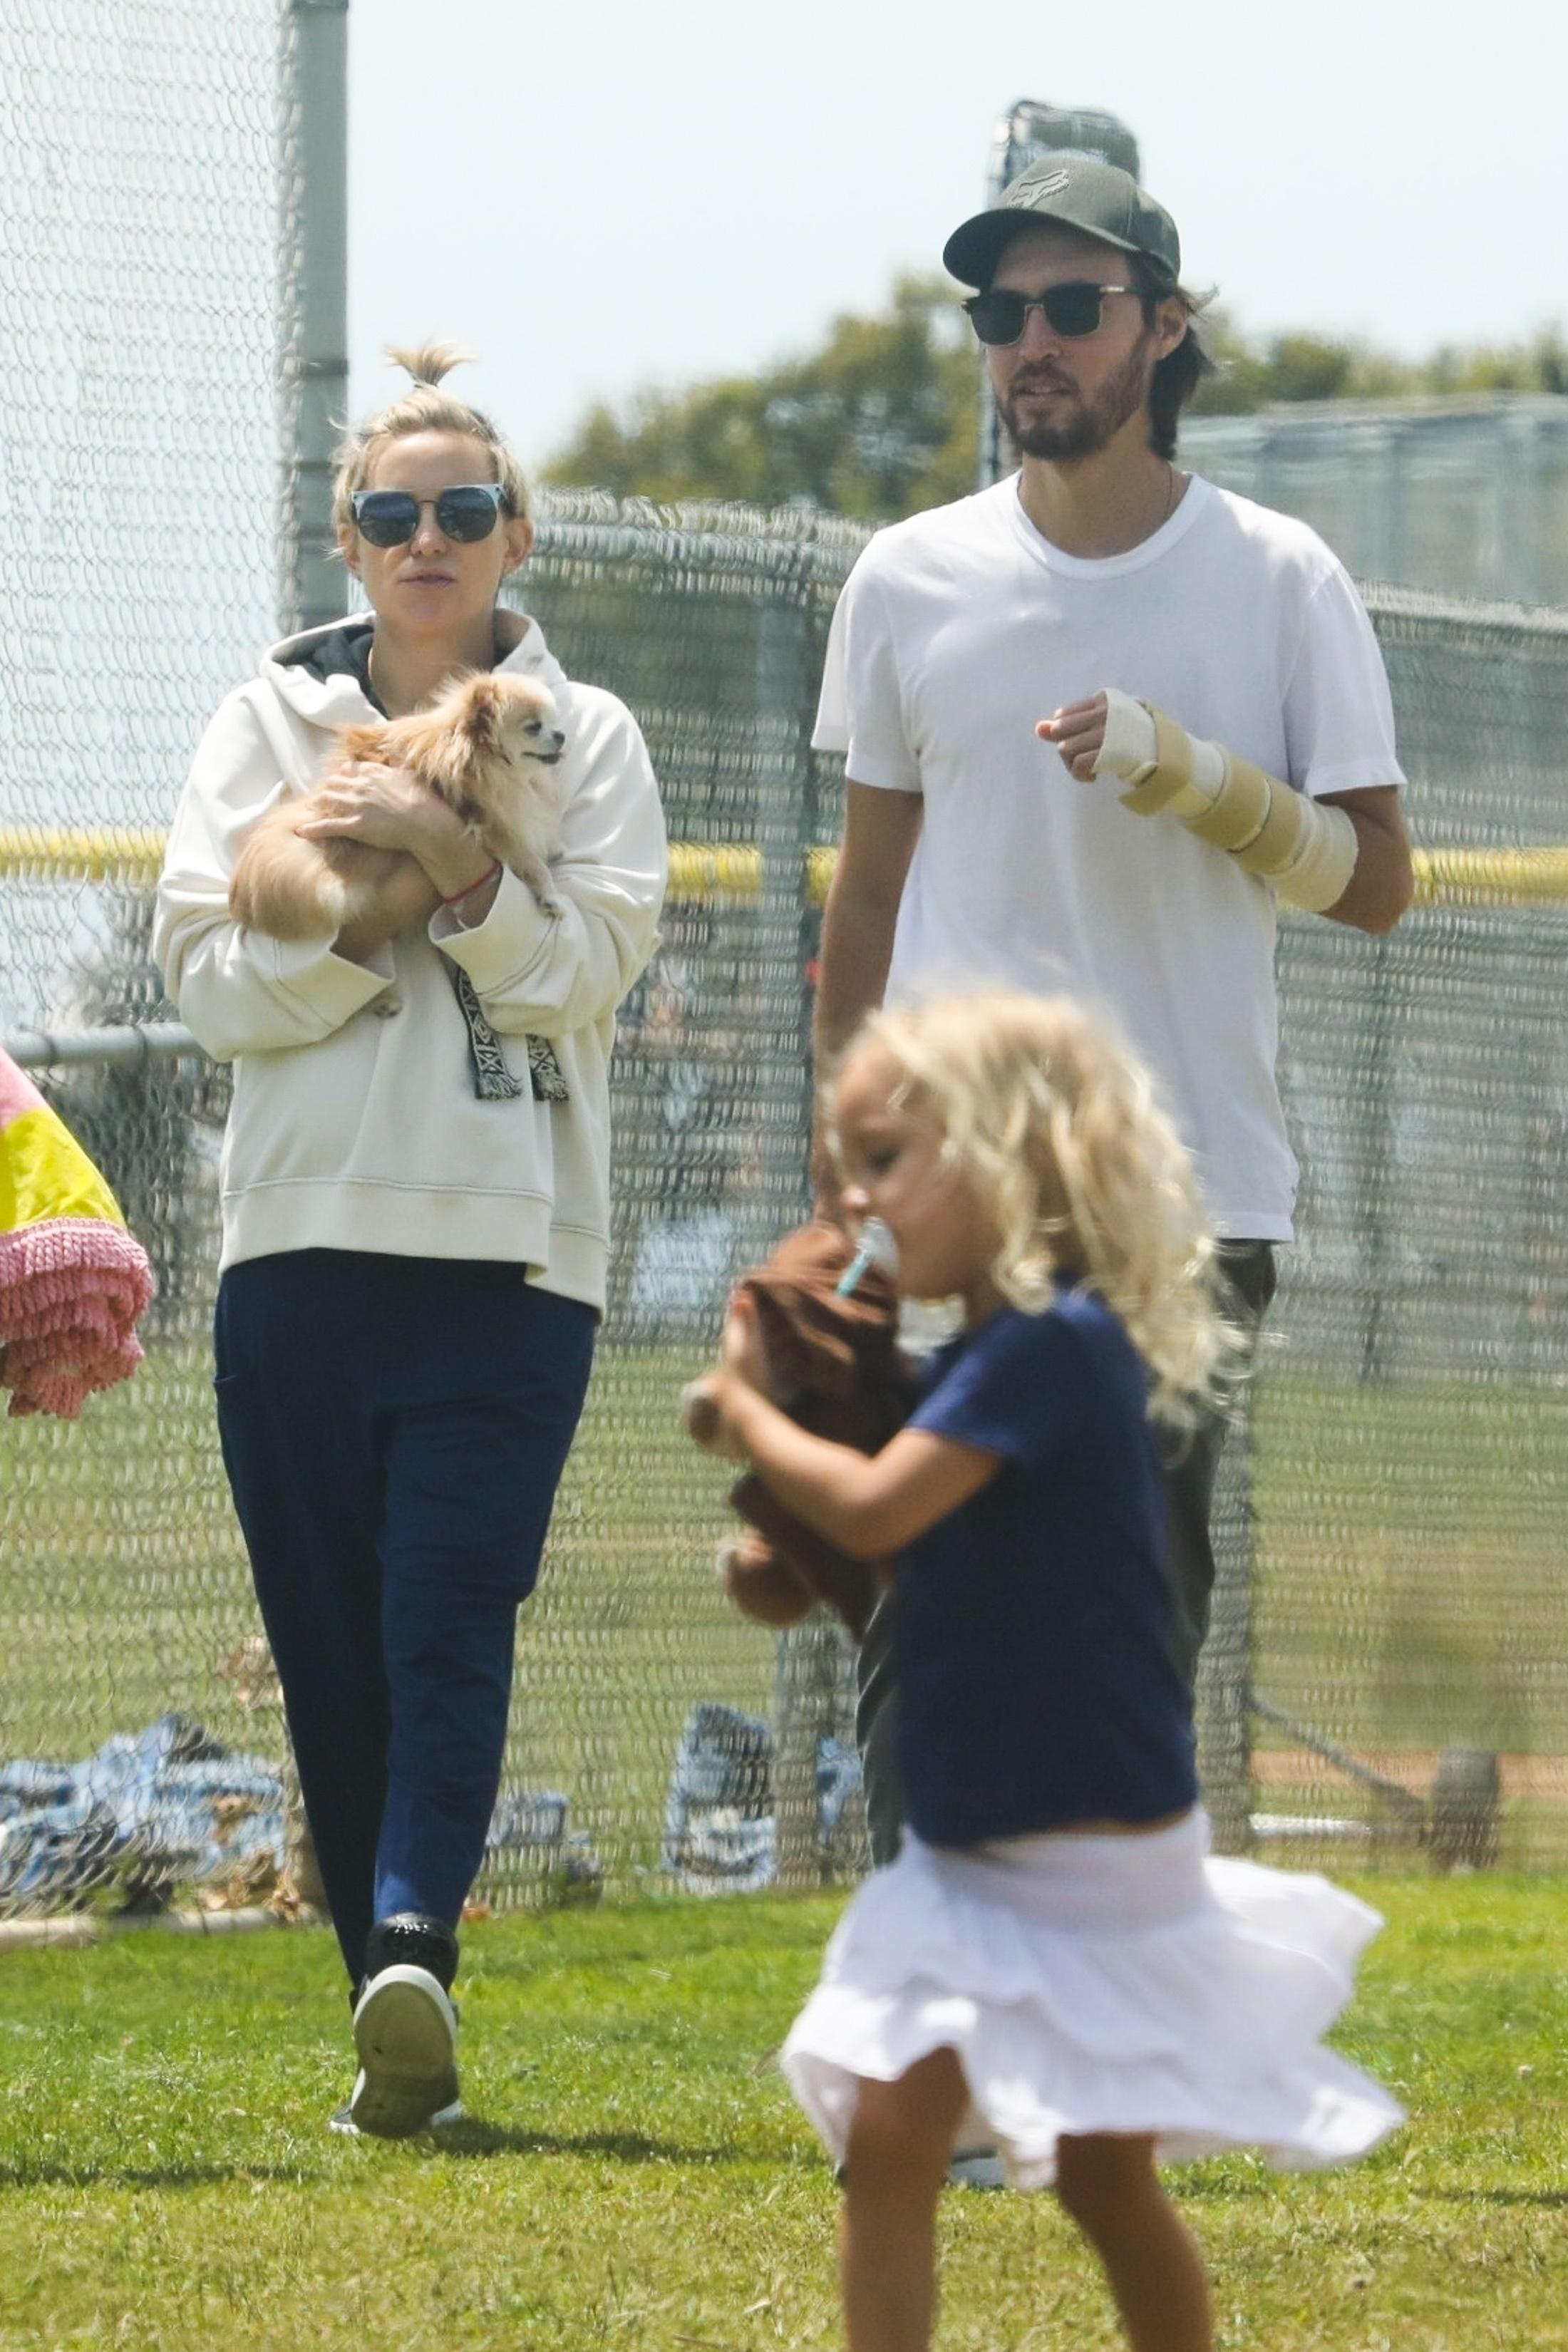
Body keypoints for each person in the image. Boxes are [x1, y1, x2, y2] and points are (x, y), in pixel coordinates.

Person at [810, 153, 1415, 1868]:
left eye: (1071, 309)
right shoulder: (905, 578)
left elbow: (1372, 883)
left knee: (1123, 1619)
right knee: (920, 1613)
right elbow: (863, 895)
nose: (1029, 348)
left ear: (1160, 327)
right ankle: (938, 2012)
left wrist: (1201, 779)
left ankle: (1078, 2025)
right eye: (1000, 316)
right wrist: (849, 1160)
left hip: (1182, 1201)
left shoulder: (1279, 575)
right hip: (956, 1202)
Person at [688, 990, 1402, 2352]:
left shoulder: (1055, 1350)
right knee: (904, 2136)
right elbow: (895, 1556)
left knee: (1093, 2168)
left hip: (1082, 1870)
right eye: (848, 1163)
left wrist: (744, 1423)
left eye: (888, 1159)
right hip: (981, 1852)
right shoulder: (978, 1369)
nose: (854, 1196)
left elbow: (885, 1510)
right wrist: (778, 1566)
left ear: (1015, 1163)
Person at [155, 344, 666, 2135]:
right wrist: (360, 929)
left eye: (462, 510)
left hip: (511, 1262)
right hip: (294, 1255)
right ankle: (389, 2035)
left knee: (450, 1615)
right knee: (331, 1649)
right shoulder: (258, 726)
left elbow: (588, 969)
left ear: (512, 536)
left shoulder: (584, 736)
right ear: (349, 541)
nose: (428, 538)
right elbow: (204, 975)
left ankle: (408, 1945)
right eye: (394, 513)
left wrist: (452, 870)